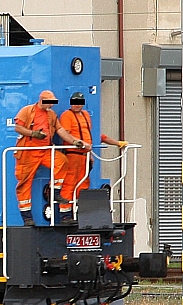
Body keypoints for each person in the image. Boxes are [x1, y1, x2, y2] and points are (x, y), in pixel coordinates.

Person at [54, 92, 128, 220]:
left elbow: (94, 135)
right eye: (74, 102)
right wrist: (80, 144)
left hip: (84, 156)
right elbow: (65, 135)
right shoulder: (67, 115)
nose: (77, 105)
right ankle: (65, 215)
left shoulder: (86, 115)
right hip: (72, 154)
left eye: (79, 102)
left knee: (83, 184)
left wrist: (117, 143)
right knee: (69, 183)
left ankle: (80, 213)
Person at [12, 90, 78, 226]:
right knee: (24, 184)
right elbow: (18, 128)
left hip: (46, 150)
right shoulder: (27, 111)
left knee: (62, 161)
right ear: (42, 100)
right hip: (28, 153)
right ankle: (27, 217)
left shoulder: (51, 114)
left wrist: (74, 141)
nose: (51, 105)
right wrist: (33, 134)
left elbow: (60, 130)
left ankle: (54, 192)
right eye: (50, 102)